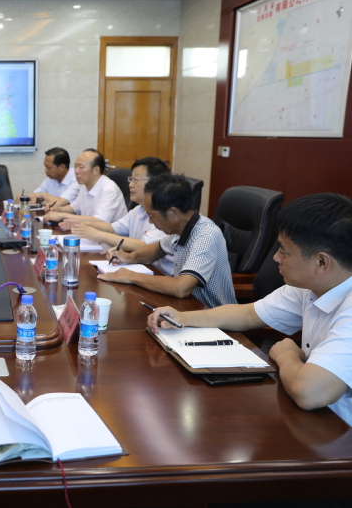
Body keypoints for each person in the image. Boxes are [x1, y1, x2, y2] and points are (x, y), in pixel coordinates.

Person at [148, 193, 352, 426]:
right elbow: (247, 314)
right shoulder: (312, 286)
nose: (276, 258)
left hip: (339, 430)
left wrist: (286, 354)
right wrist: (182, 318)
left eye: (284, 251)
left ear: (321, 262)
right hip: (314, 419)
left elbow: (309, 392)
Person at [99, 172, 236, 308]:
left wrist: (131, 276)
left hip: (212, 313)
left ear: (173, 212)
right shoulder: (180, 228)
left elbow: (181, 288)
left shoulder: (206, 236)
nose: (150, 222)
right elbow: (157, 249)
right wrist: (128, 257)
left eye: (152, 216)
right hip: (186, 307)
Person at [60, 156, 174, 275]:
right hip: (142, 267)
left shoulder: (164, 214)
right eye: (131, 179)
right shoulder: (138, 210)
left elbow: (145, 246)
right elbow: (113, 228)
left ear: (155, 183)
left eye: (136, 179)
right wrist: (85, 224)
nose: (130, 184)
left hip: (160, 274)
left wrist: (98, 235)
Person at [42, 148, 127, 224]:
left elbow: (100, 221)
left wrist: (62, 215)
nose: (76, 171)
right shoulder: (85, 186)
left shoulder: (109, 189)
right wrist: (57, 209)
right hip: (90, 233)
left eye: (81, 167)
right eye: (76, 166)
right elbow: (74, 208)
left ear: (95, 170)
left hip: (111, 236)